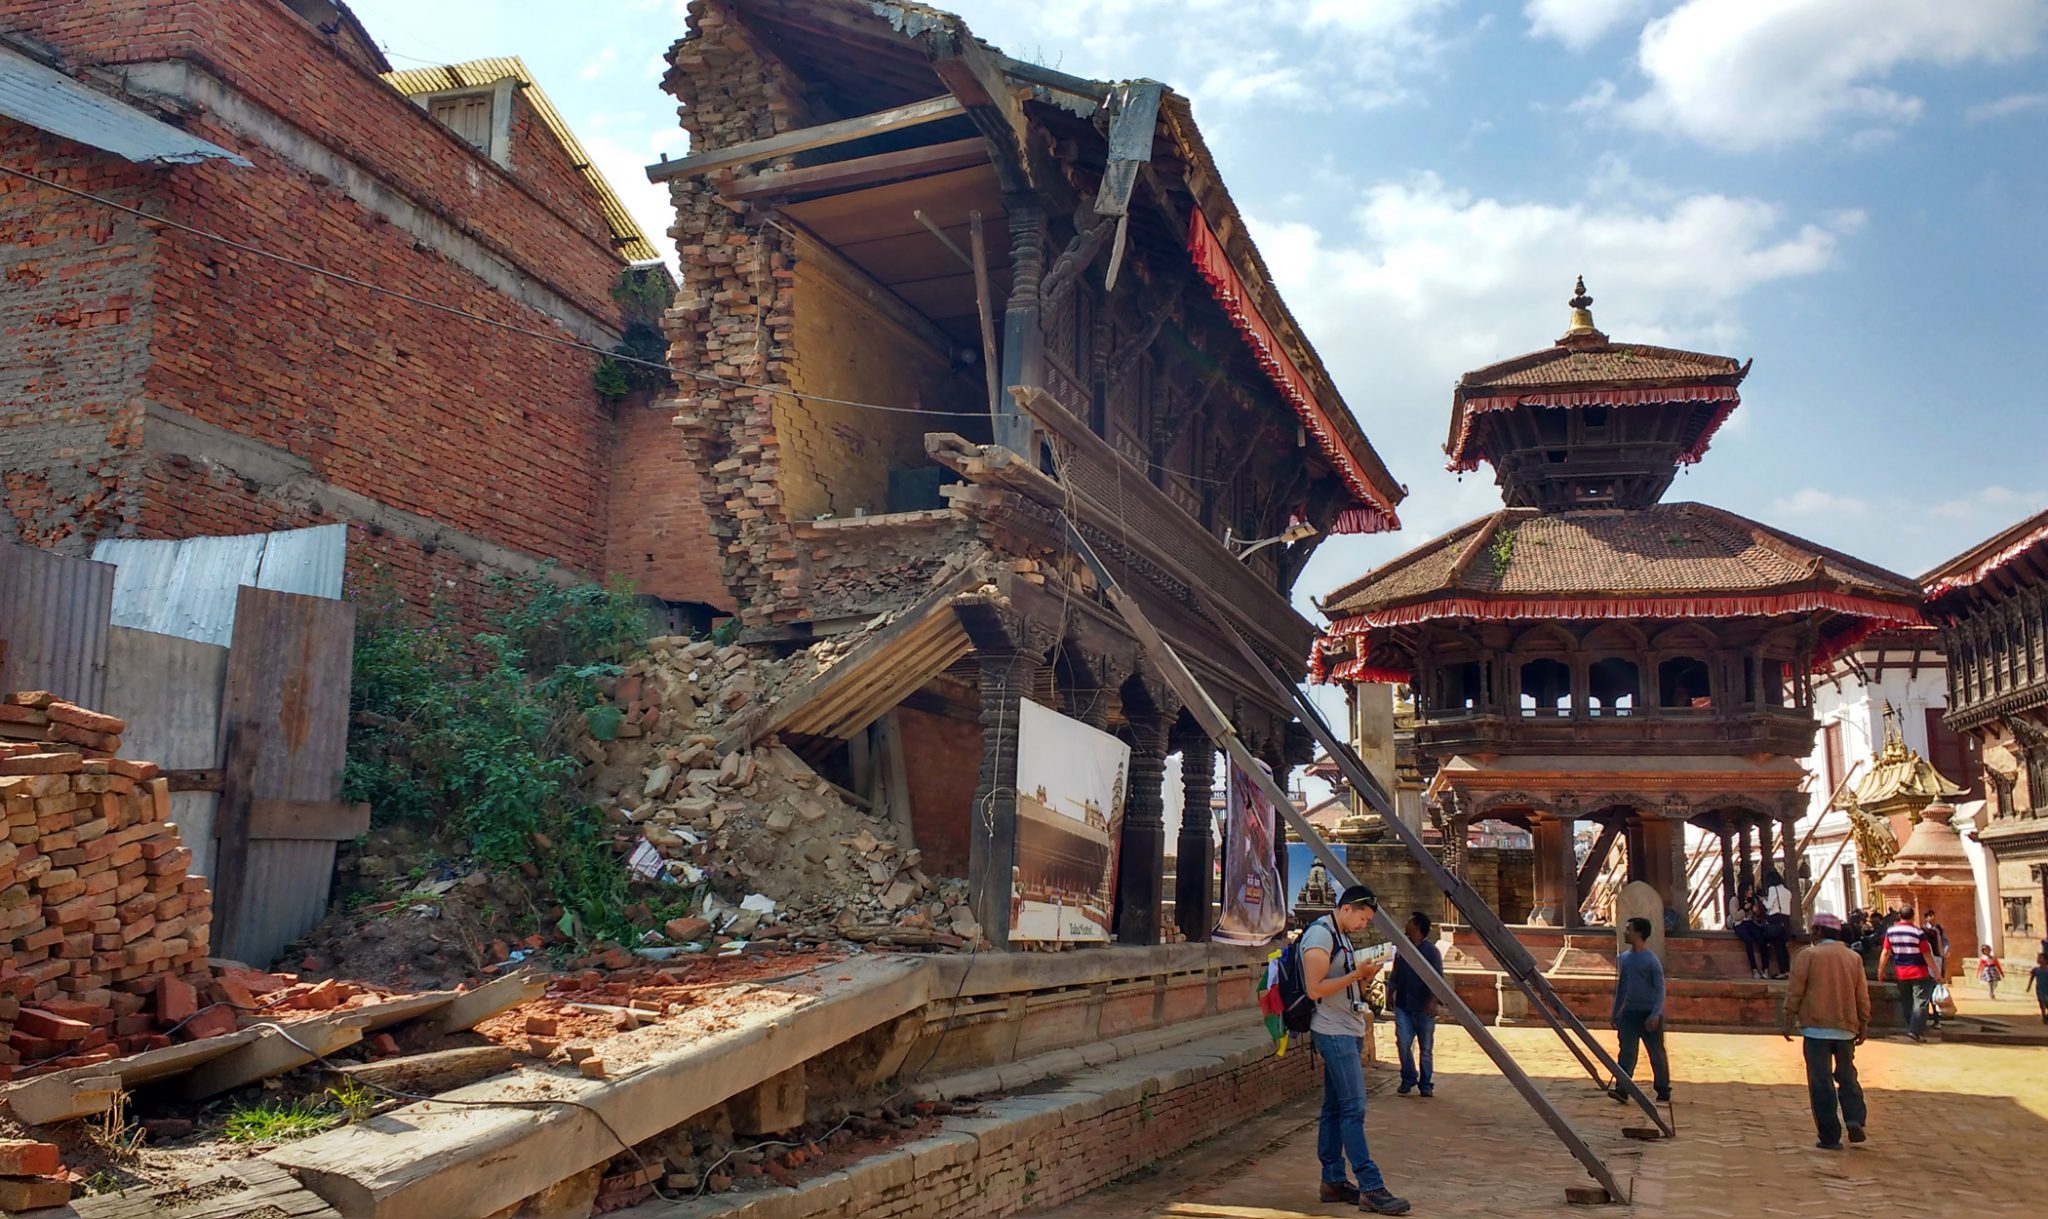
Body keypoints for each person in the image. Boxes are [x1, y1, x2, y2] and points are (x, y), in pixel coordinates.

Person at [1300, 885, 1410, 1215]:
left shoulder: (1341, 935)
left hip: (1347, 1027)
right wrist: (1355, 976)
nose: (1363, 925)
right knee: (1354, 1108)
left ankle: (1332, 1180)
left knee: (1335, 1107)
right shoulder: (1320, 936)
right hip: (1332, 1031)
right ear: (1347, 908)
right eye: (1362, 918)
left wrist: (1362, 976)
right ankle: (1371, 1185)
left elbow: (1343, 983)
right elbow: (1314, 988)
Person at [1782, 912, 1871, 1151]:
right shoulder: (1853, 958)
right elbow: (1862, 995)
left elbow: (1795, 990)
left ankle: (1830, 1135)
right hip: (1845, 1028)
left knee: (1821, 1083)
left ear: (1819, 932)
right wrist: (1863, 1022)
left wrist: (1788, 1016)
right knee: (1847, 1075)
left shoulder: (1807, 956)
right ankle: (1854, 1116)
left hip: (1815, 1029)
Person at [1608, 916, 1671, 1104]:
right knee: (1627, 1051)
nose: (1625, 932)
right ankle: (1622, 1088)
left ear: (1639, 933)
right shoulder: (1624, 959)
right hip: (1629, 1013)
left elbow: (1660, 989)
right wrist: (1615, 1012)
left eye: (1629, 929)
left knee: (1656, 1053)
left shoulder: (1652, 961)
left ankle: (1662, 1088)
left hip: (1649, 1013)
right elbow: (1621, 987)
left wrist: (1655, 1014)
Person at [1389, 911, 1443, 1098]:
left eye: (1410, 922)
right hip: (1404, 1004)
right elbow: (1395, 974)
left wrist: (1432, 1000)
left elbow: (1438, 980)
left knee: (1425, 1048)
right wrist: (1390, 992)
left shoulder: (1431, 952)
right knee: (1403, 1042)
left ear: (1417, 926)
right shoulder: (1403, 949)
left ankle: (1426, 1083)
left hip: (1423, 1006)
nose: (1406, 925)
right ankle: (1408, 1076)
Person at [1878, 907, 1935, 1042]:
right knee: (1920, 1001)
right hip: (1919, 971)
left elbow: (1885, 952)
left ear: (1899, 916)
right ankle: (1915, 1030)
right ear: (1913, 916)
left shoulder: (1891, 932)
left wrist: (1881, 970)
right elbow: (1926, 955)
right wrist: (1936, 972)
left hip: (1901, 971)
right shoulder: (1918, 932)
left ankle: (1912, 1027)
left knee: (1907, 1001)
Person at [1761, 868, 1795, 979]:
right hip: (1785, 921)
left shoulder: (1772, 889)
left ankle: (1781, 971)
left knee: (1777, 946)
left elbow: (1769, 905)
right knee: (1783, 947)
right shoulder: (1787, 891)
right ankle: (1787, 970)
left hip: (1775, 920)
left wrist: (1763, 900)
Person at [1733, 890, 1770, 978]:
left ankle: (1765, 968)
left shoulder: (1754, 900)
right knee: (1748, 941)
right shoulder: (1735, 900)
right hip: (1739, 924)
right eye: (1748, 889)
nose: (1750, 892)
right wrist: (1744, 909)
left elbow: (1757, 917)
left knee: (1762, 939)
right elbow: (1735, 917)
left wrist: (1756, 912)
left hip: (1751, 922)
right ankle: (1754, 969)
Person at [2031, 952, 2048, 1025]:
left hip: (2046, 989)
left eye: (2040, 958)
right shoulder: (2036, 970)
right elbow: (2032, 977)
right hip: (2039, 989)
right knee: (2042, 1004)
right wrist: (2029, 986)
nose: (2038, 959)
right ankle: (2044, 1017)